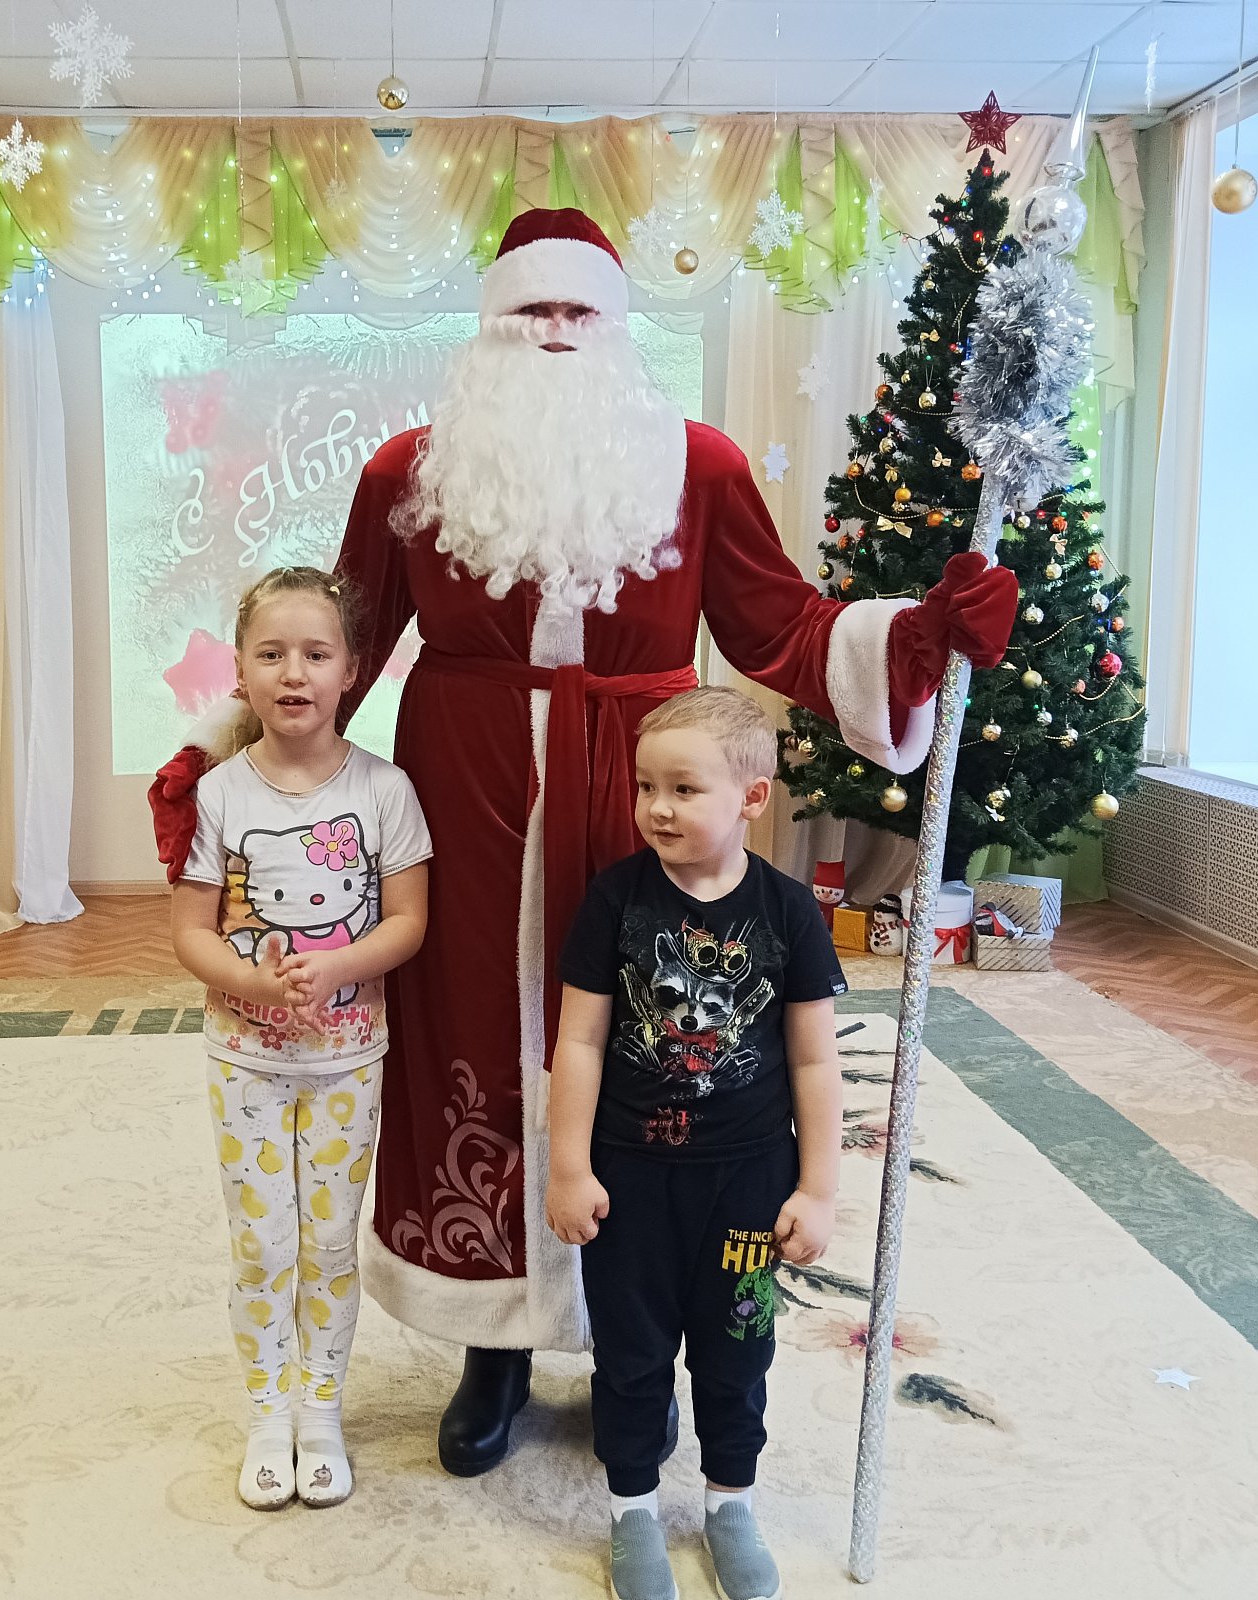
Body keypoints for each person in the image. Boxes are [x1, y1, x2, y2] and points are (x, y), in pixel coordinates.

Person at [331, 206, 1017, 1475]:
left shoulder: (696, 464)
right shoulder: (403, 475)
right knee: (473, 1031)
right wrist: (228, 766)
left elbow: (778, 627)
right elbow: (347, 641)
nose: (553, 332)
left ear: (615, 327)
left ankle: (624, 1335)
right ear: (486, 327)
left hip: (641, 789)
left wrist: (915, 639)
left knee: (651, 1049)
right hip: (465, 791)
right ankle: (493, 1340)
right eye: (528, 310)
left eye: (576, 310)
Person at [547, 686, 842, 1600]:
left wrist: (818, 1189)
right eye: (646, 787)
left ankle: (729, 1503)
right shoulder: (615, 898)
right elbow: (579, 1040)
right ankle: (633, 1510)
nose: (658, 808)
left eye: (683, 789)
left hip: (750, 1183)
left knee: (737, 1349)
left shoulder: (789, 912)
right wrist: (568, 1167)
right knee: (631, 1353)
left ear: (752, 798)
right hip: (631, 1179)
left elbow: (814, 1062)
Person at [167, 566, 432, 1510]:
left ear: (352, 670)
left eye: (317, 654)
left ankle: (319, 1412)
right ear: (240, 671)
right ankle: (266, 1413)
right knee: (263, 1243)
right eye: (271, 653)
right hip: (245, 1061)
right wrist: (255, 983)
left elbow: (409, 921)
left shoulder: (385, 789)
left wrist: (336, 965)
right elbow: (191, 933)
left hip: (347, 1062)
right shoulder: (218, 795)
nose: (294, 673)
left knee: (327, 1243)